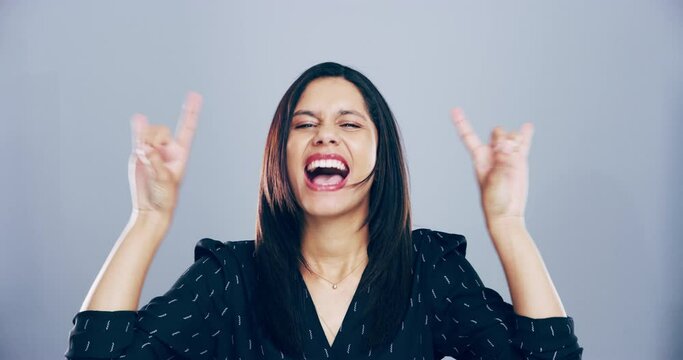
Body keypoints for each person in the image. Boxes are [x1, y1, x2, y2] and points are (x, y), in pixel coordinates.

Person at [65, 62, 583, 359]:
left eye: (350, 124)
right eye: (304, 123)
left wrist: (508, 225)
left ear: (383, 159)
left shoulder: (428, 269)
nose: (325, 134)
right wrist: (148, 219)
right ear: (280, 157)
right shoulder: (231, 278)